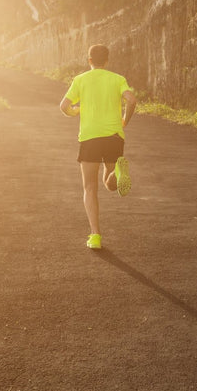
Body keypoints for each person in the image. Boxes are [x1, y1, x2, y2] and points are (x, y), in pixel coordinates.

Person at [59, 44, 137, 250]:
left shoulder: (81, 80)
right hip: (114, 136)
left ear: (89, 60)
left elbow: (63, 106)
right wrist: (125, 120)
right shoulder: (117, 79)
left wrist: (75, 112)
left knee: (90, 187)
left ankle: (95, 235)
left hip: (90, 137)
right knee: (110, 183)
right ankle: (117, 173)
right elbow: (131, 100)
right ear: (107, 61)